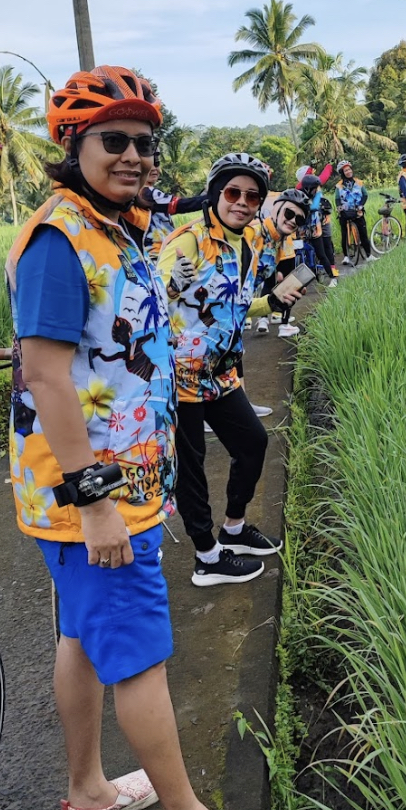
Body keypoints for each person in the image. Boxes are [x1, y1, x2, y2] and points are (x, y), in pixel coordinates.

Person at [6, 67, 292, 810]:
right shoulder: (62, 239)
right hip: (89, 496)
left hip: (109, 485)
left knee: (82, 637)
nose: (134, 155)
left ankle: (90, 792)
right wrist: (97, 501)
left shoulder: (114, 227)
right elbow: (49, 375)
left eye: (144, 142)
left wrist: (147, 483)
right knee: (137, 653)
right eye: (114, 140)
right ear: (72, 144)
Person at [157, 154, 304, 589]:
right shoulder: (188, 240)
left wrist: (273, 302)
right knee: (192, 465)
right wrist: (170, 285)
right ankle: (206, 556)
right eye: (232, 192)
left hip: (221, 373)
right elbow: (154, 293)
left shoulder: (249, 244)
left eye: (252, 195)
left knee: (254, 443)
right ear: (215, 194)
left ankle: (234, 529)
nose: (242, 202)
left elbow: (236, 307)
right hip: (182, 376)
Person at [248, 188, 309, 340]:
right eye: (289, 213)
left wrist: (272, 302)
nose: (293, 220)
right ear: (275, 209)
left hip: (229, 329)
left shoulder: (277, 244)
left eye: (299, 220)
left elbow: (238, 302)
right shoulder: (251, 233)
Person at [138, 156, 206, 263]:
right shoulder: (146, 192)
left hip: (163, 250)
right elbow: (181, 205)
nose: (154, 168)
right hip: (156, 254)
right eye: (149, 164)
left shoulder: (145, 192)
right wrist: (212, 197)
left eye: (156, 163)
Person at [298, 174, 338, 285]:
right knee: (295, 253)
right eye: (316, 188)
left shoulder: (317, 195)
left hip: (315, 229)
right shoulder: (299, 194)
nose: (317, 190)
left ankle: (333, 278)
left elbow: (314, 207)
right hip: (301, 228)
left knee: (321, 254)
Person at [334, 159, 375, 263]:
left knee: (363, 233)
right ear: (342, 173)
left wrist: (361, 205)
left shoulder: (358, 182)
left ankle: (369, 255)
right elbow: (337, 198)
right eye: (346, 170)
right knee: (345, 234)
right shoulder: (339, 185)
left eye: (349, 169)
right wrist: (339, 207)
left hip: (357, 211)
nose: (348, 172)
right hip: (345, 212)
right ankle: (346, 256)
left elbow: (365, 195)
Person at [319, 197, 338, 273]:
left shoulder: (323, 200)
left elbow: (328, 209)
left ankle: (332, 267)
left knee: (327, 245)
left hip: (324, 224)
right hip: (311, 225)